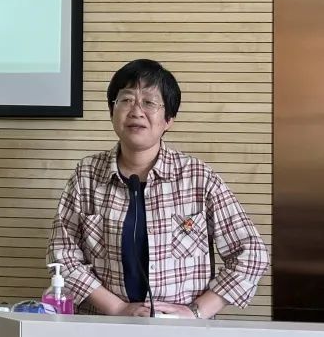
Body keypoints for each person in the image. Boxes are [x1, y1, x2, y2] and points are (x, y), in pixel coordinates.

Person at [47, 59, 269, 318]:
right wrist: (117, 308)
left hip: (180, 332)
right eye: (126, 100)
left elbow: (251, 254)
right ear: (112, 110)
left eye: (149, 102)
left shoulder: (198, 178)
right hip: (103, 325)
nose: (136, 111)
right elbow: (62, 256)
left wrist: (195, 312)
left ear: (169, 119)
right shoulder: (86, 176)